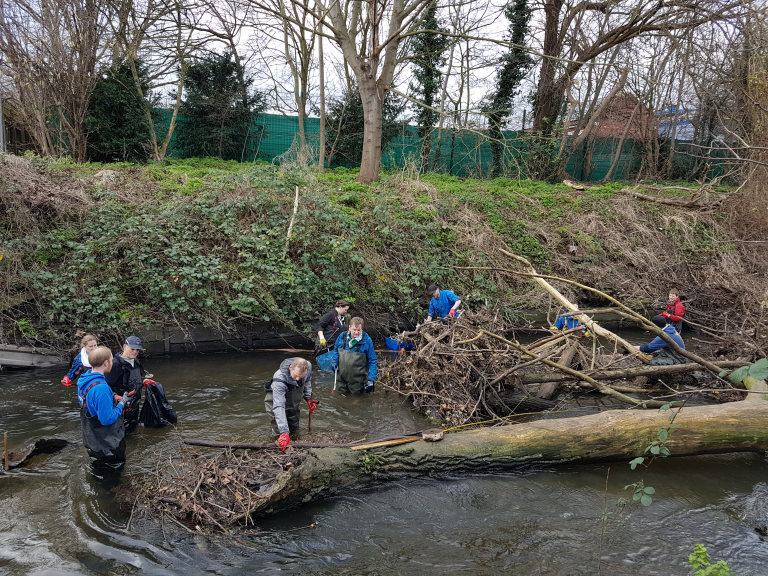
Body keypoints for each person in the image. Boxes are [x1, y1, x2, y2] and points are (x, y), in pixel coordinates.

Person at [78, 346, 133, 470]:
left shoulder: (84, 379)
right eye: (112, 360)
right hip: (107, 445)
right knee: (112, 474)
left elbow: (90, 402)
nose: (112, 363)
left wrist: (113, 397)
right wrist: (121, 404)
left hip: (92, 440)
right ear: (106, 362)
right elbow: (106, 419)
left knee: (99, 471)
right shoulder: (101, 388)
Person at [265, 357, 318, 452]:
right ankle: (278, 449)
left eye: (300, 377)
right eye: (296, 375)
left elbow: (307, 381)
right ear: (291, 368)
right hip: (276, 402)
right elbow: (279, 406)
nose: (297, 379)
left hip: (293, 400)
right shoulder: (279, 379)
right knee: (279, 430)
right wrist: (284, 432)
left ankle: (294, 442)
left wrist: (308, 398)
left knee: (294, 425)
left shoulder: (308, 366)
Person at [105, 336, 154, 432]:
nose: (135, 352)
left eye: (137, 349)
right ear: (124, 347)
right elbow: (106, 385)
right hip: (121, 405)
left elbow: (136, 376)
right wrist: (115, 397)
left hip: (135, 402)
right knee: (121, 431)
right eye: (132, 349)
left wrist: (144, 381)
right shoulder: (115, 365)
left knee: (133, 427)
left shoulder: (136, 361)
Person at [329, 317, 377, 395]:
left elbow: (373, 361)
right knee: (340, 398)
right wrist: (334, 363)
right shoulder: (342, 337)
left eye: (359, 330)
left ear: (362, 329)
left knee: (357, 399)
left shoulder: (367, 340)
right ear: (349, 327)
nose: (356, 333)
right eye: (354, 330)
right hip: (341, 378)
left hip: (357, 380)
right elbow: (336, 352)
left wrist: (371, 380)